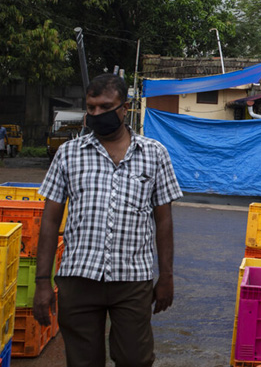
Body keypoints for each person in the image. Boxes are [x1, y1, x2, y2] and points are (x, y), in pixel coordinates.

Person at [33, 74, 183, 366]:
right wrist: (42, 282)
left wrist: (166, 276)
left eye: (105, 107)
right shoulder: (69, 154)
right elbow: (50, 221)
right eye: (91, 108)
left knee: (135, 359)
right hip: (78, 278)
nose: (96, 114)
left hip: (132, 279)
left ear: (124, 107)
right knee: (83, 361)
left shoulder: (154, 154)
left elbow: (163, 221)